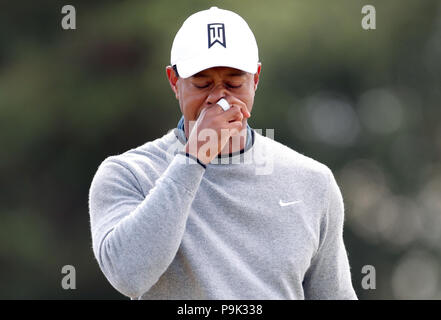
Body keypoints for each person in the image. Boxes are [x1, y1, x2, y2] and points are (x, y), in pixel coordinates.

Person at [88, 6, 357, 300]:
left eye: (233, 83)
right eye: (202, 83)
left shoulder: (313, 181)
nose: (218, 97)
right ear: (174, 82)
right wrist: (194, 158)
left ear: (256, 79)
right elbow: (128, 275)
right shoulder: (128, 173)